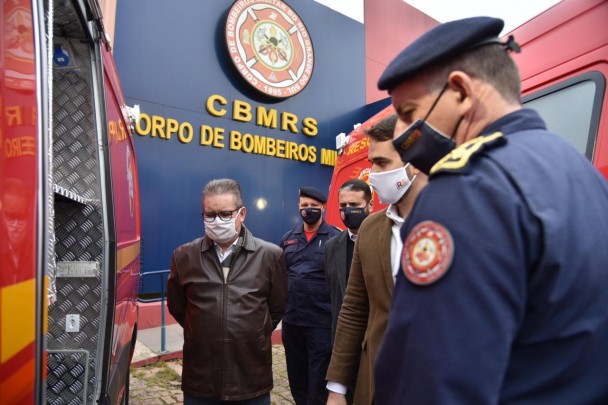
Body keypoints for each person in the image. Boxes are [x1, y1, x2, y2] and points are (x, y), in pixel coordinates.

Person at [374, 16, 608, 404]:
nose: (400, 135)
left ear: (462, 92)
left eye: (409, 113)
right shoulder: (580, 173)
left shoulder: (467, 190)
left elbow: (429, 382)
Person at [325, 114, 427, 405]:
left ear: (415, 163)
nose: (372, 172)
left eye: (381, 163)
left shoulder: (458, 221)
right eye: (371, 162)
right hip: (378, 384)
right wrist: (337, 387)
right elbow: (354, 308)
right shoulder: (370, 228)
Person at [167, 178, 288, 405]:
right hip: (201, 380)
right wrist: (203, 329)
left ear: (242, 213)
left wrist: (252, 331)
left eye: (224, 214)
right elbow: (178, 307)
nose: (217, 221)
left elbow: (276, 307)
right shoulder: (184, 256)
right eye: (209, 215)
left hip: (250, 378)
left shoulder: (271, 256)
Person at [280, 187, 341, 405]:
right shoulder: (288, 238)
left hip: (320, 322)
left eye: (314, 206)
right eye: (304, 206)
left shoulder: (336, 238)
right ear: (298, 207)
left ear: (323, 207)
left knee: (318, 380)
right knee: (297, 377)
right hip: (292, 321)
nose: (308, 210)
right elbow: (280, 275)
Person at [324, 179, 373, 342]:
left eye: (354, 204)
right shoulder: (331, 247)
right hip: (343, 339)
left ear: (370, 206)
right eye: (343, 205)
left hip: (375, 339)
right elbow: (331, 294)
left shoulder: (385, 241)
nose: (347, 209)